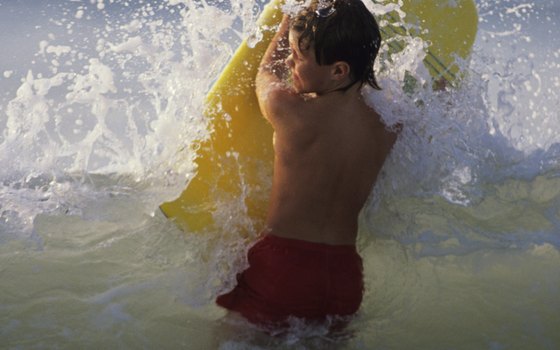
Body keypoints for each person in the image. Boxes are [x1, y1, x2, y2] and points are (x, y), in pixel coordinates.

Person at [216, 0, 399, 328]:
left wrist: (286, 16)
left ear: (338, 71)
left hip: (283, 265)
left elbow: (265, 72)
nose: (289, 61)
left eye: (298, 57)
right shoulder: (386, 127)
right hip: (345, 276)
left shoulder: (292, 112)